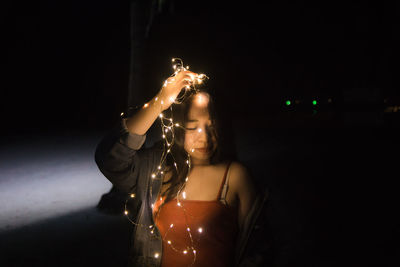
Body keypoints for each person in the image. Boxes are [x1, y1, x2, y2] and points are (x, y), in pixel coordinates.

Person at [95, 69, 268, 267]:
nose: (204, 137)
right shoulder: (157, 169)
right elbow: (109, 158)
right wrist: (160, 102)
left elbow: (257, 249)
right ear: (178, 127)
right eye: (193, 127)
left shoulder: (235, 176)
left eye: (212, 127)